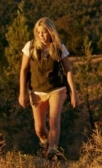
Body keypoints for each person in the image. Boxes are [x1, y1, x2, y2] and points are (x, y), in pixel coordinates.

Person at [18, 17, 77, 158]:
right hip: (36, 91)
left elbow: (68, 70)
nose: (41, 35)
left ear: (50, 32)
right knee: (39, 129)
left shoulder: (58, 47)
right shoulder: (30, 47)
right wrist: (22, 93)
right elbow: (24, 70)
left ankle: (52, 151)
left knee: (54, 121)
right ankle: (45, 143)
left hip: (57, 89)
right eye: (38, 32)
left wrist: (73, 93)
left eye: (44, 32)